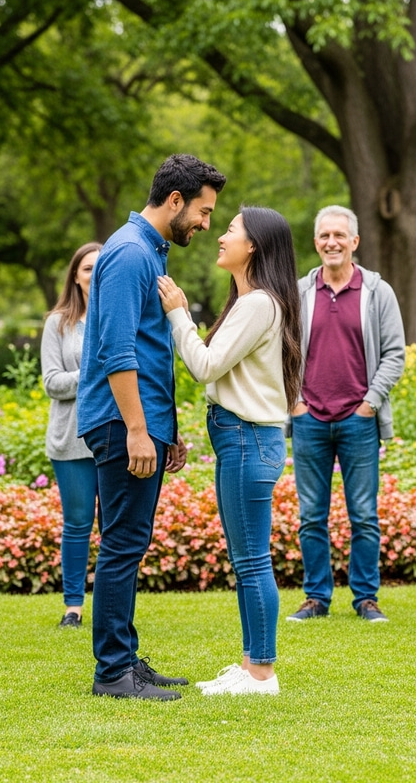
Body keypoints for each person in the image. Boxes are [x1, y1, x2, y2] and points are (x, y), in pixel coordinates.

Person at [77, 153, 226, 699]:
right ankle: (112, 673)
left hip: (140, 422)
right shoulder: (129, 253)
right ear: (175, 201)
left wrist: (166, 428)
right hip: (121, 425)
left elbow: (148, 347)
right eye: (204, 212)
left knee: (129, 543)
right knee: (122, 544)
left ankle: (125, 659)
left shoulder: (149, 251)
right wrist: (139, 431)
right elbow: (117, 353)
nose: (206, 224)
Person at [158, 206, 302, 695]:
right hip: (239, 438)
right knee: (246, 560)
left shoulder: (259, 303)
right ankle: (250, 665)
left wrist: (177, 312)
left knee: (253, 561)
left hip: (246, 437)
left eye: (230, 230)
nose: (220, 236)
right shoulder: (251, 301)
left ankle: (262, 672)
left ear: (254, 245)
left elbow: (205, 366)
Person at [286, 205, 405, 623]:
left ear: (354, 241)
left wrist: (370, 403)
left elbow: (394, 354)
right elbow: (282, 353)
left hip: (358, 419)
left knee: (364, 515)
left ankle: (366, 599)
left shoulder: (377, 292)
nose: (332, 242)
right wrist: (295, 402)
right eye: (324, 236)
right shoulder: (299, 292)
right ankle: (316, 598)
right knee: (311, 515)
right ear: (316, 242)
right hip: (309, 419)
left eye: (340, 235)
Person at [41, 242, 101, 629]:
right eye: (87, 269)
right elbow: (52, 383)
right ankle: (73, 607)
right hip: (71, 439)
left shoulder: (122, 315)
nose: (94, 276)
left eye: (100, 268)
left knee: (115, 527)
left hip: (116, 436)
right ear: (75, 276)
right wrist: (94, 372)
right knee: (78, 523)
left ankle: (115, 604)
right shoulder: (57, 323)